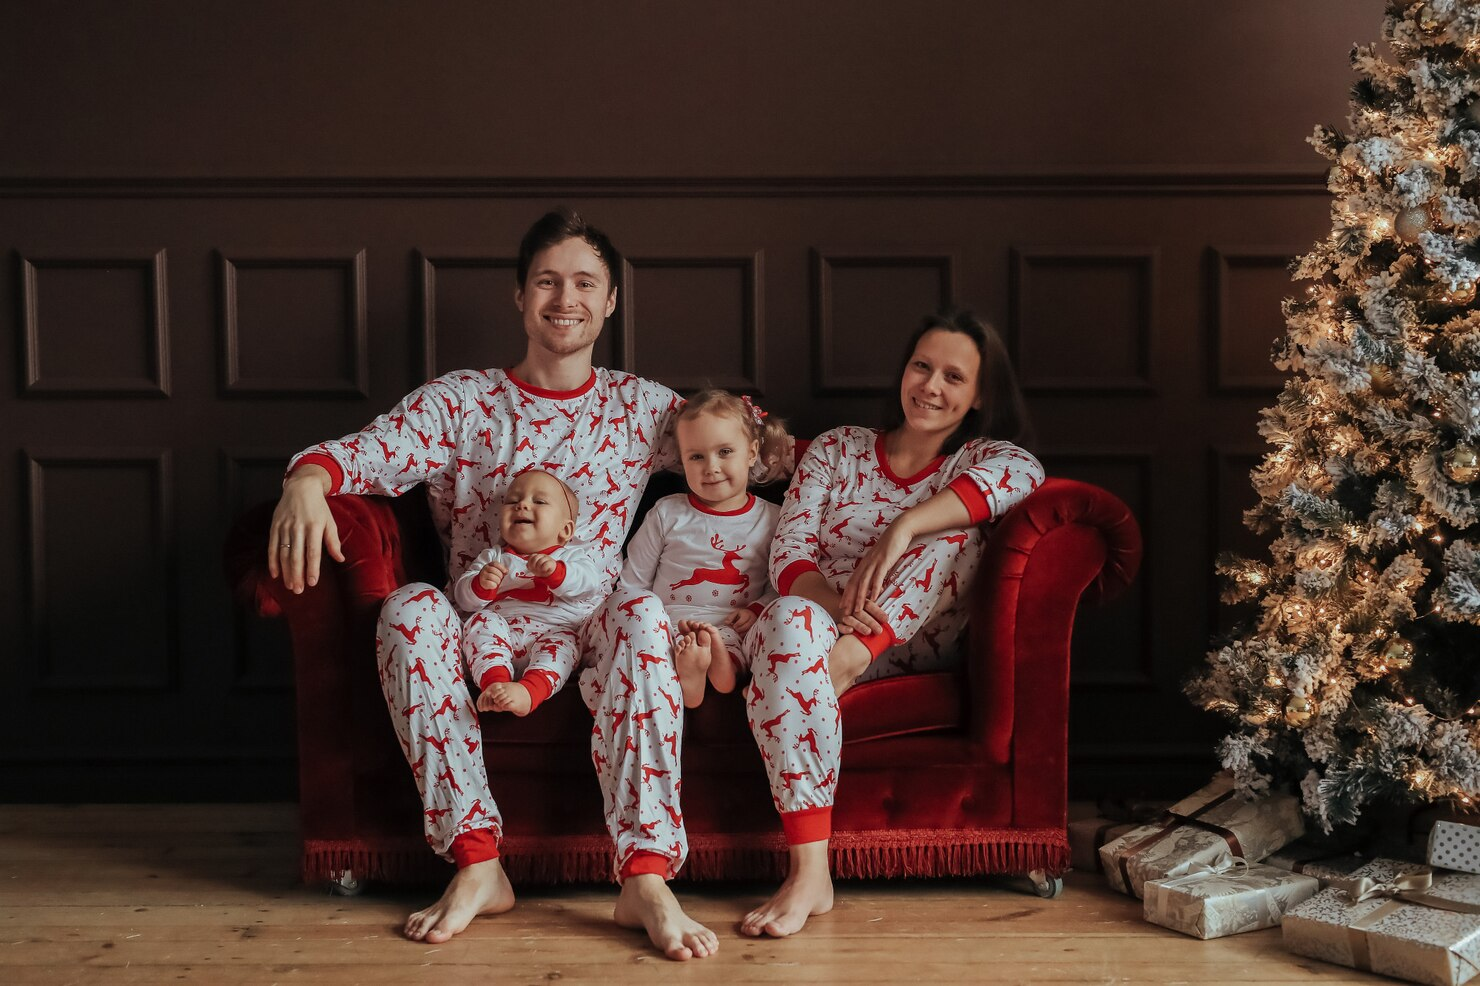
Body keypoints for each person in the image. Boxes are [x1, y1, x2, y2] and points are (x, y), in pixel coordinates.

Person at [266, 210, 754, 960]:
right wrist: (307, 476)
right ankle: (476, 864)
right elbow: (372, 450)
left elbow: (757, 446)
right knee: (406, 608)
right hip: (480, 617)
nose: (567, 298)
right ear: (519, 296)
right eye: (548, 281)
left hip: (589, 622)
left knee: (642, 611)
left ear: (611, 301)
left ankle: (646, 878)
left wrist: (907, 498)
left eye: (585, 282)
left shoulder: (643, 408)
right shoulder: (462, 401)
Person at [735, 308, 1045, 939]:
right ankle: (810, 874)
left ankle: (848, 661)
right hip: (825, 621)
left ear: (980, 394)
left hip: (913, 636)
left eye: (954, 377)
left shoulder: (988, 457)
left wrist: (904, 526)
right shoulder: (837, 448)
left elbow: (1026, 477)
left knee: (954, 534)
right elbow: (791, 555)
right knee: (787, 616)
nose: (931, 386)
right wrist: (841, 613)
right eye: (921, 366)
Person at [616, 389, 789, 708]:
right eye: (697, 456)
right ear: (682, 461)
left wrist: (755, 609)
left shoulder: (773, 519)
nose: (711, 467)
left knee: (731, 642)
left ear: (751, 453)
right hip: (667, 625)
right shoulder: (667, 512)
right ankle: (688, 677)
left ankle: (721, 668)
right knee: (655, 646)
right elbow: (632, 582)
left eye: (725, 451)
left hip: (731, 626)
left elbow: (781, 587)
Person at [452, 469, 601, 717]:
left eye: (539, 501)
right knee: (480, 622)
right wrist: (480, 584)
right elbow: (463, 600)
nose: (522, 504)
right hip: (502, 632)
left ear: (565, 531)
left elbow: (589, 585)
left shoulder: (569, 557)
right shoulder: (494, 557)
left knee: (565, 644)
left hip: (551, 631)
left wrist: (557, 573)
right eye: (512, 501)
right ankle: (494, 683)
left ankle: (530, 691)